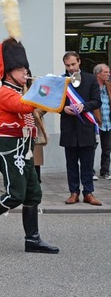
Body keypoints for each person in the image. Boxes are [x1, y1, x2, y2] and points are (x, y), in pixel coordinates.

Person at [0, 0, 58, 253]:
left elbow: (34, 109)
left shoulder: (20, 89)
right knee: (15, 194)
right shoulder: (5, 92)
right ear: (8, 72)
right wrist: (49, 89)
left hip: (25, 145)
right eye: (20, 70)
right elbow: (26, 106)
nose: (25, 73)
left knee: (33, 193)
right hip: (10, 147)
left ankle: (32, 239)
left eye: (25, 69)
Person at [60, 52, 102, 205]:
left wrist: (84, 106)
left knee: (87, 164)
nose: (71, 68)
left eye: (73, 64)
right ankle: (74, 193)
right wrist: (63, 109)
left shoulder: (91, 79)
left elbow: (97, 101)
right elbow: (54, 103)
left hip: (86, 128)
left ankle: (89, 193)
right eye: (68, 65)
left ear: (79, 62)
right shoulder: (61, 81)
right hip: (69, 128)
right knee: (71, 164)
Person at [93, 63, 111, 180]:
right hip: (95, 122)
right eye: (106, 72)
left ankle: (105, 171)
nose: (108, 74)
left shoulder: (109, 86)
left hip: (108, 122)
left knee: (107, 148)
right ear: (98, 74)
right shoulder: (92, 86)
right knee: (92, 148)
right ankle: (90, 172)